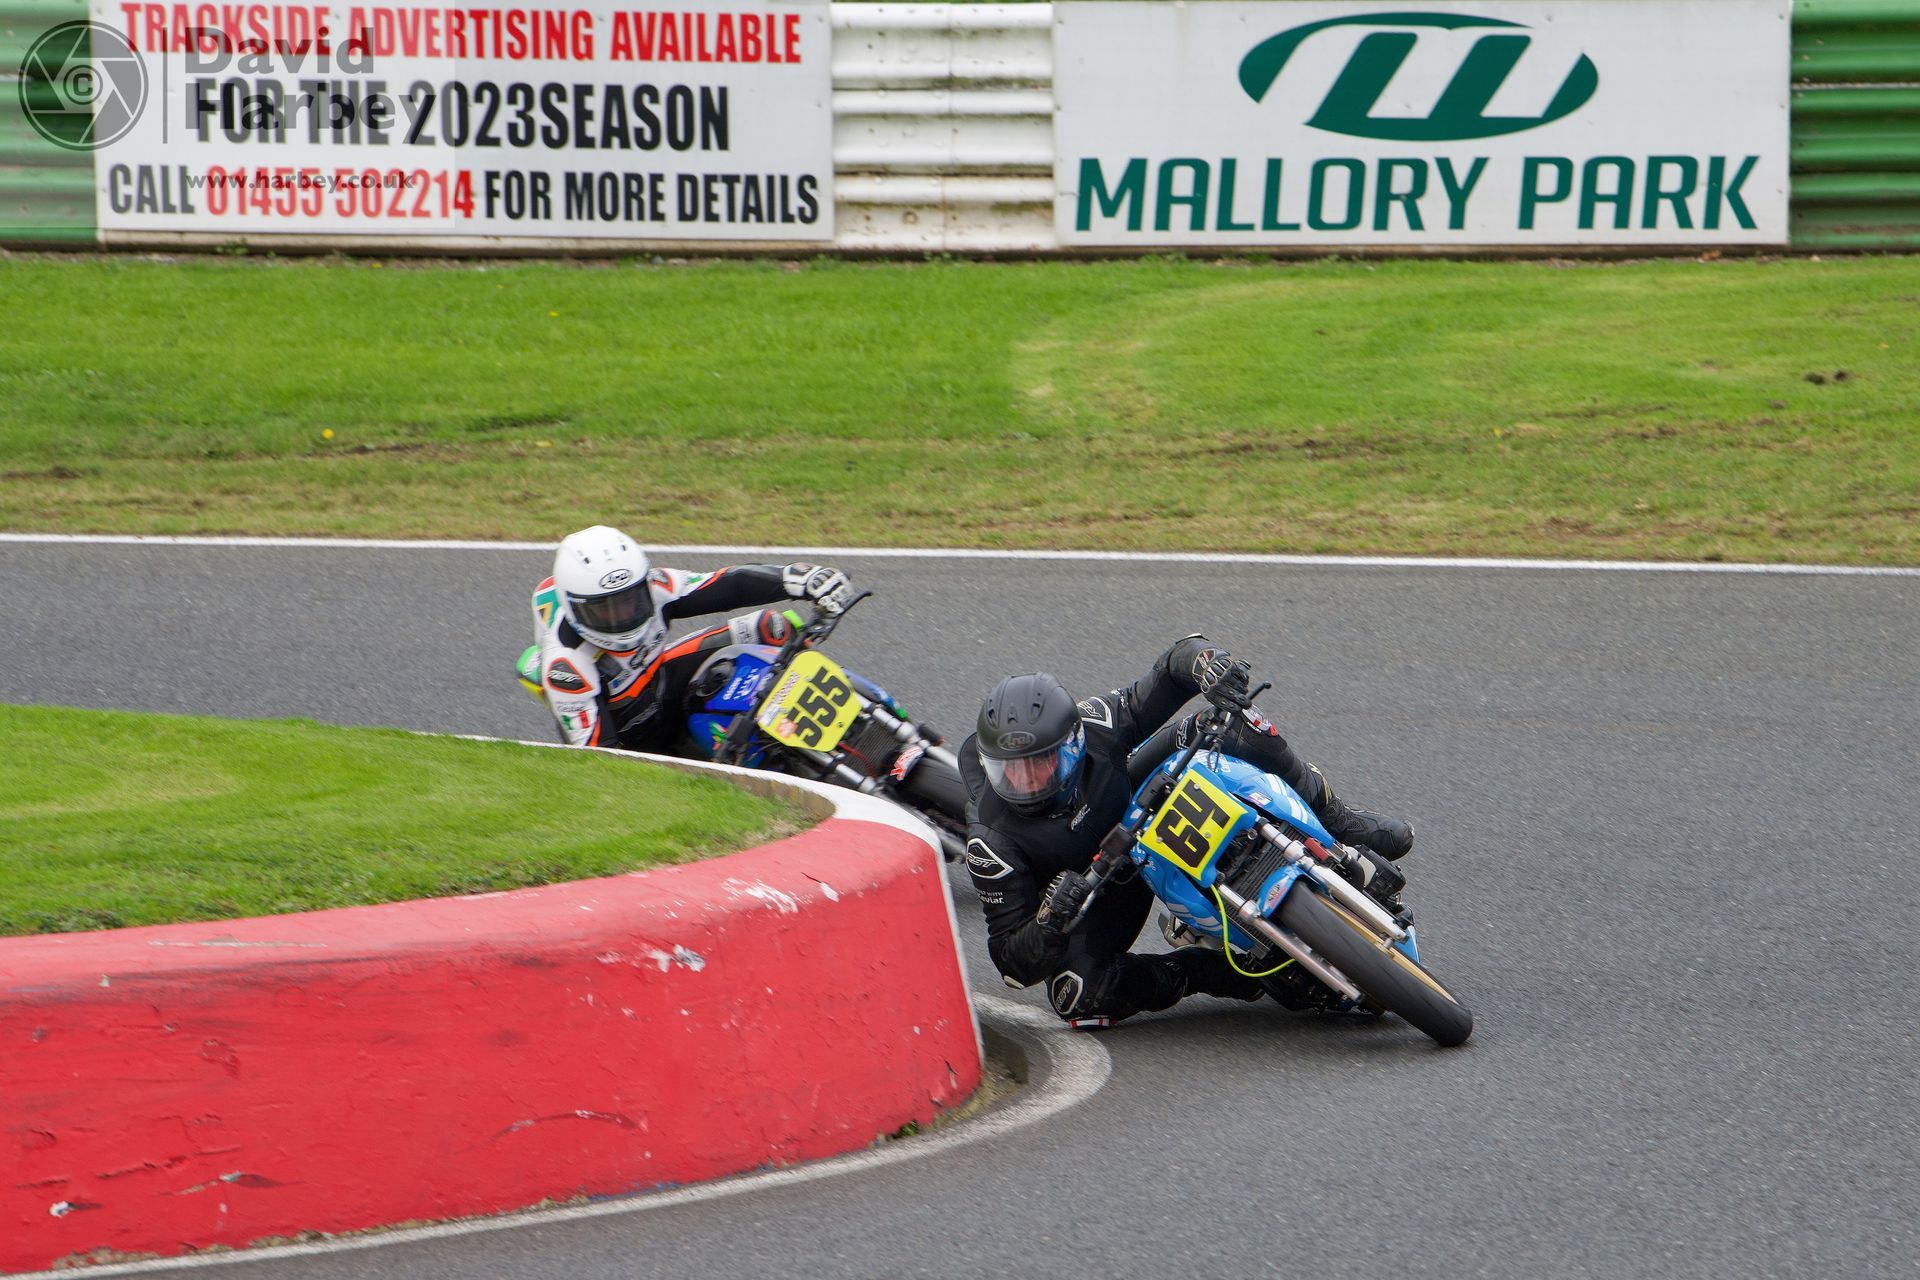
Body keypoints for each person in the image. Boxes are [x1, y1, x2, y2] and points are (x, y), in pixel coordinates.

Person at [961, 636, 1414, 1027]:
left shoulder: (1097, 723)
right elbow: (1012, 965)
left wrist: (1207, 665)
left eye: (1038, 766)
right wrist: (1050, 921)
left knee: (1230, 721)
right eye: (1009, 772)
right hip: (1097, 883)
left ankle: (1337, 821)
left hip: (1137, 798)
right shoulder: (990, 840)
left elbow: (1170, 669)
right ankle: (1221, 971)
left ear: (1073, 743)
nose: (1025, 785)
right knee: (1077, 994)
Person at [527, 525, 856, 752]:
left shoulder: (658, 586)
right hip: (633, 741)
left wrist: (798, 579)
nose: (621, 616)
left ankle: (857, 708)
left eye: (629, 600)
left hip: (662, 685)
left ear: (644, 584)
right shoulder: (567, 667)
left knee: (772, 627)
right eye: (604, 610)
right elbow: (601, 757)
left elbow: (728, 585)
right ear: (573, 607)